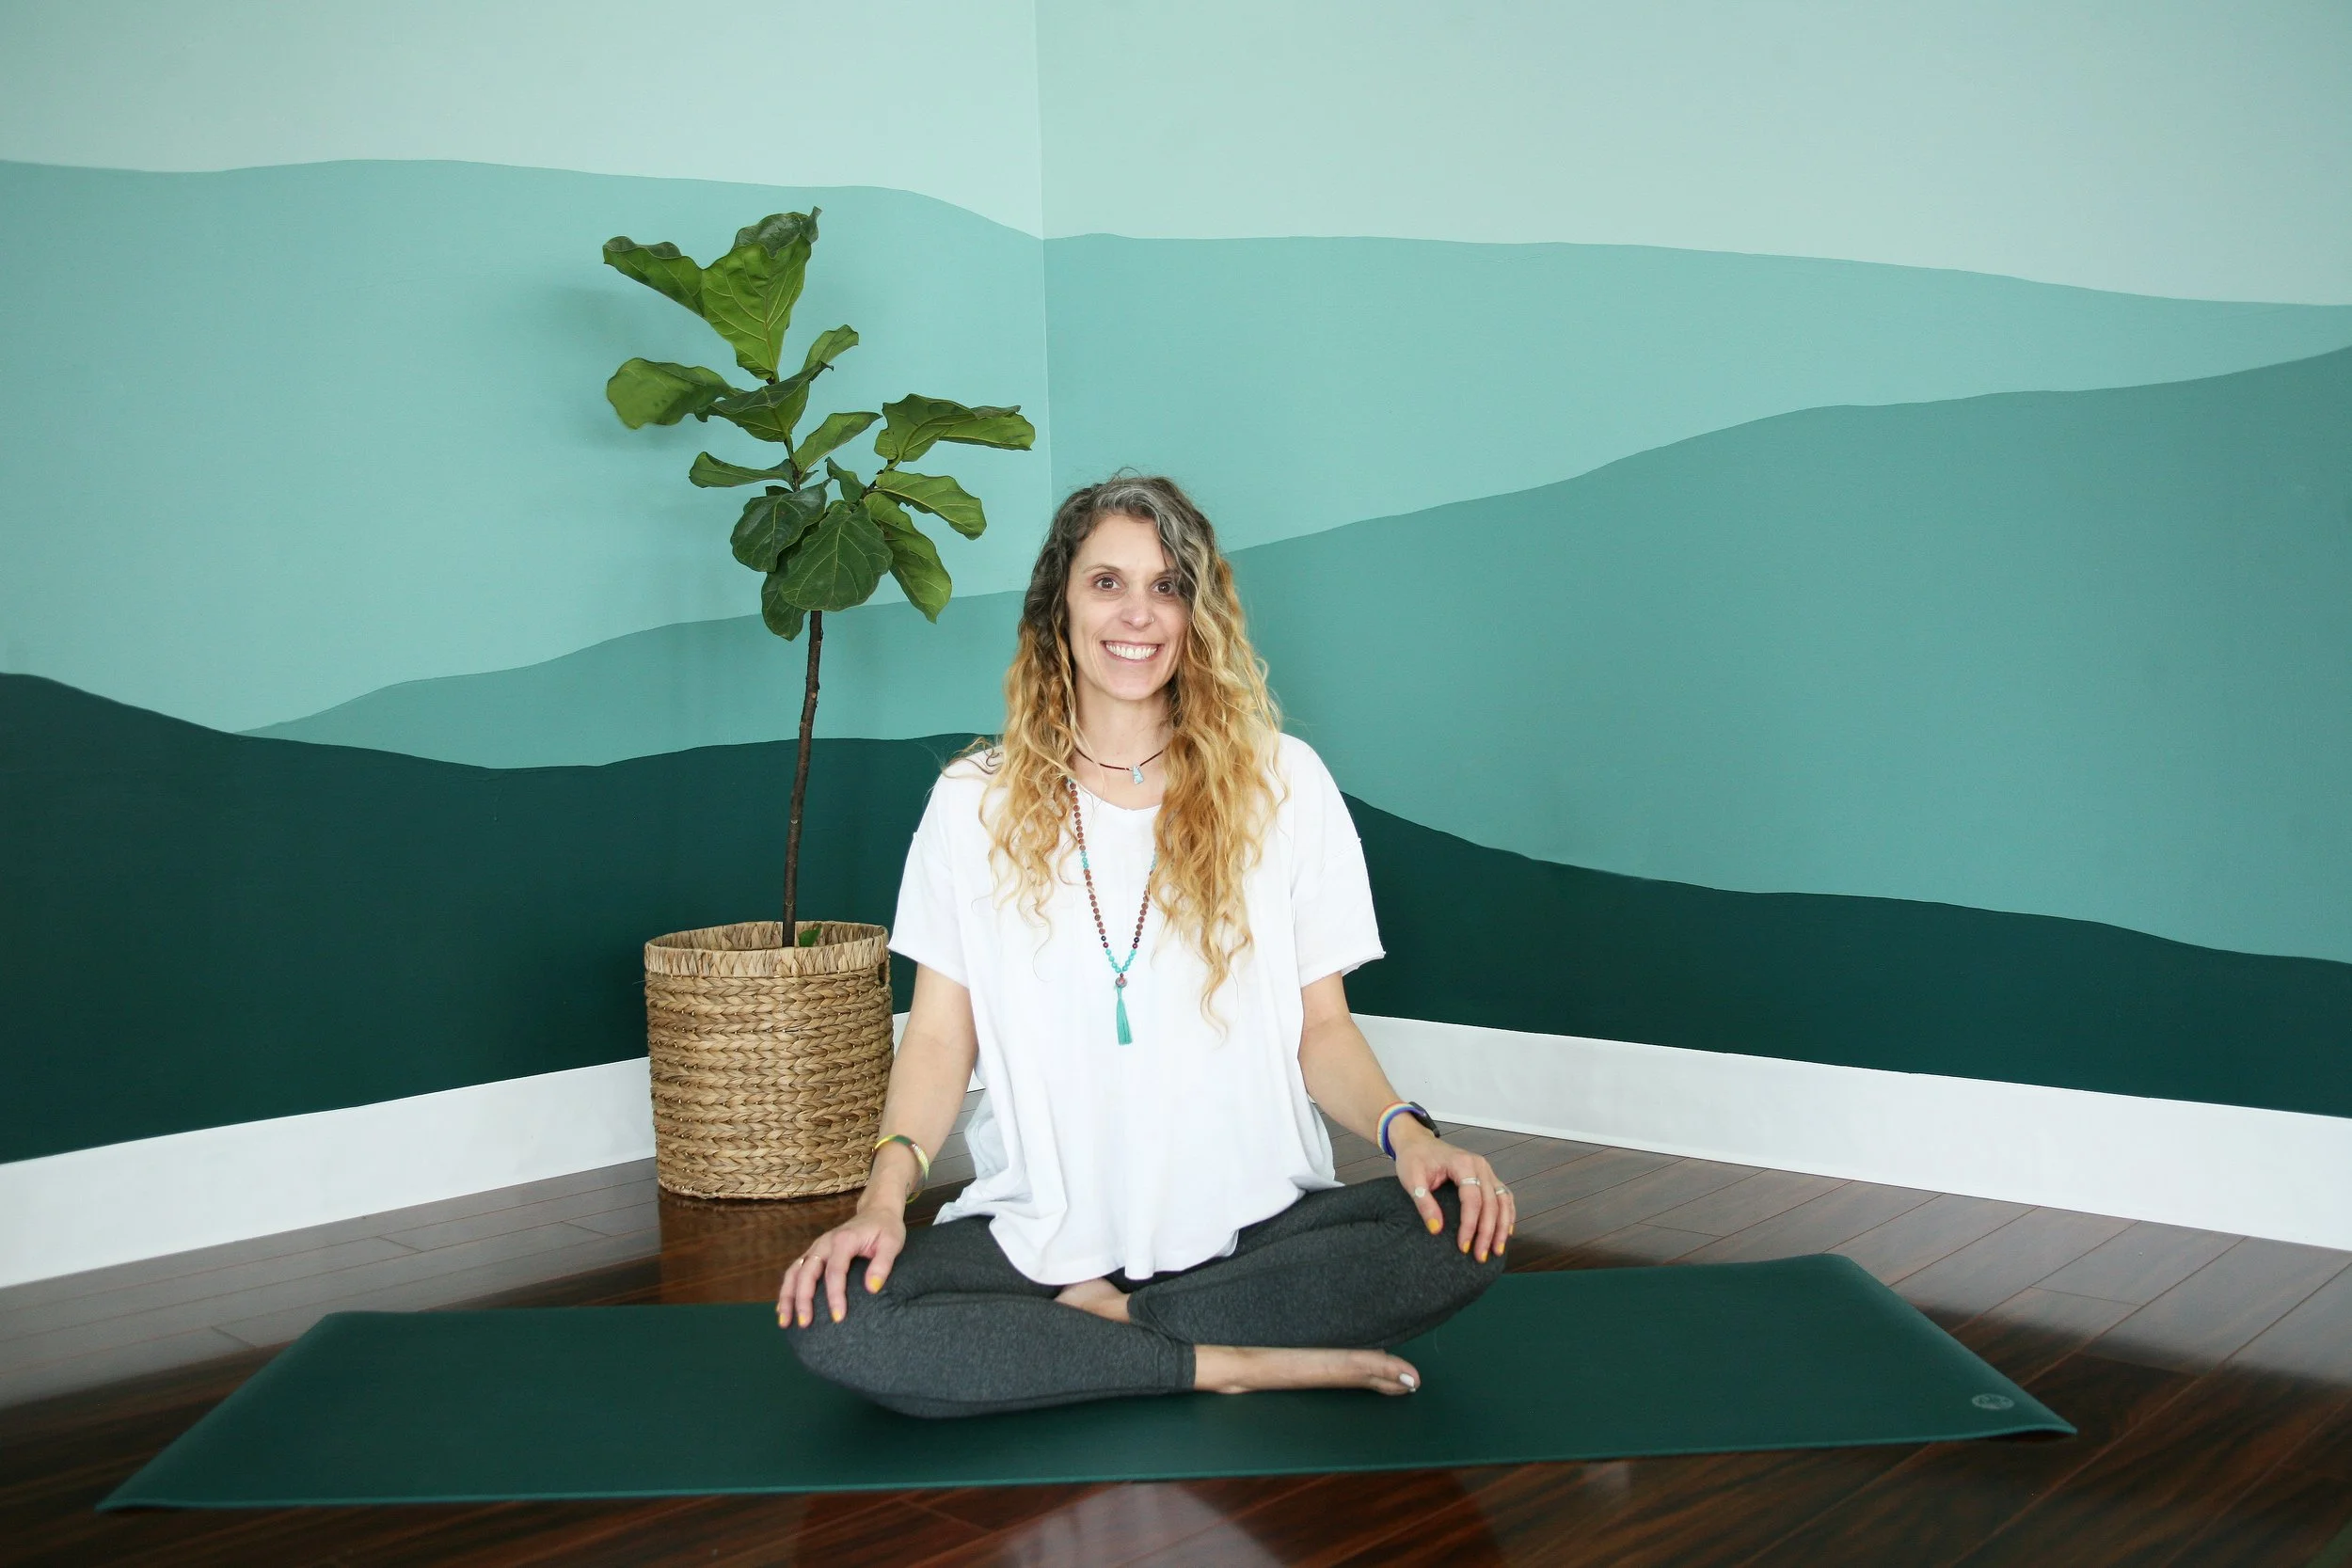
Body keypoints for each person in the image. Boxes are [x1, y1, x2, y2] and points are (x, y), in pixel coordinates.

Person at [778, 475, 1512, 1418]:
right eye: (1107, 583)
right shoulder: (972, 800)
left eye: (1167, 587)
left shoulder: (1284, 781)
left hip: (1255, 1226)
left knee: (1457, 1225)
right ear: (1058, 605)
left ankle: (1117, 1325)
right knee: (838, 1318)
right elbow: (936, 1036)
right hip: (1042, 1237)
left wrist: (1412, 1135)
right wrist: (882, 1201)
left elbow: (1321, 1029)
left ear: (1197, 613)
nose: (1138, 614)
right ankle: (1228, 1359)